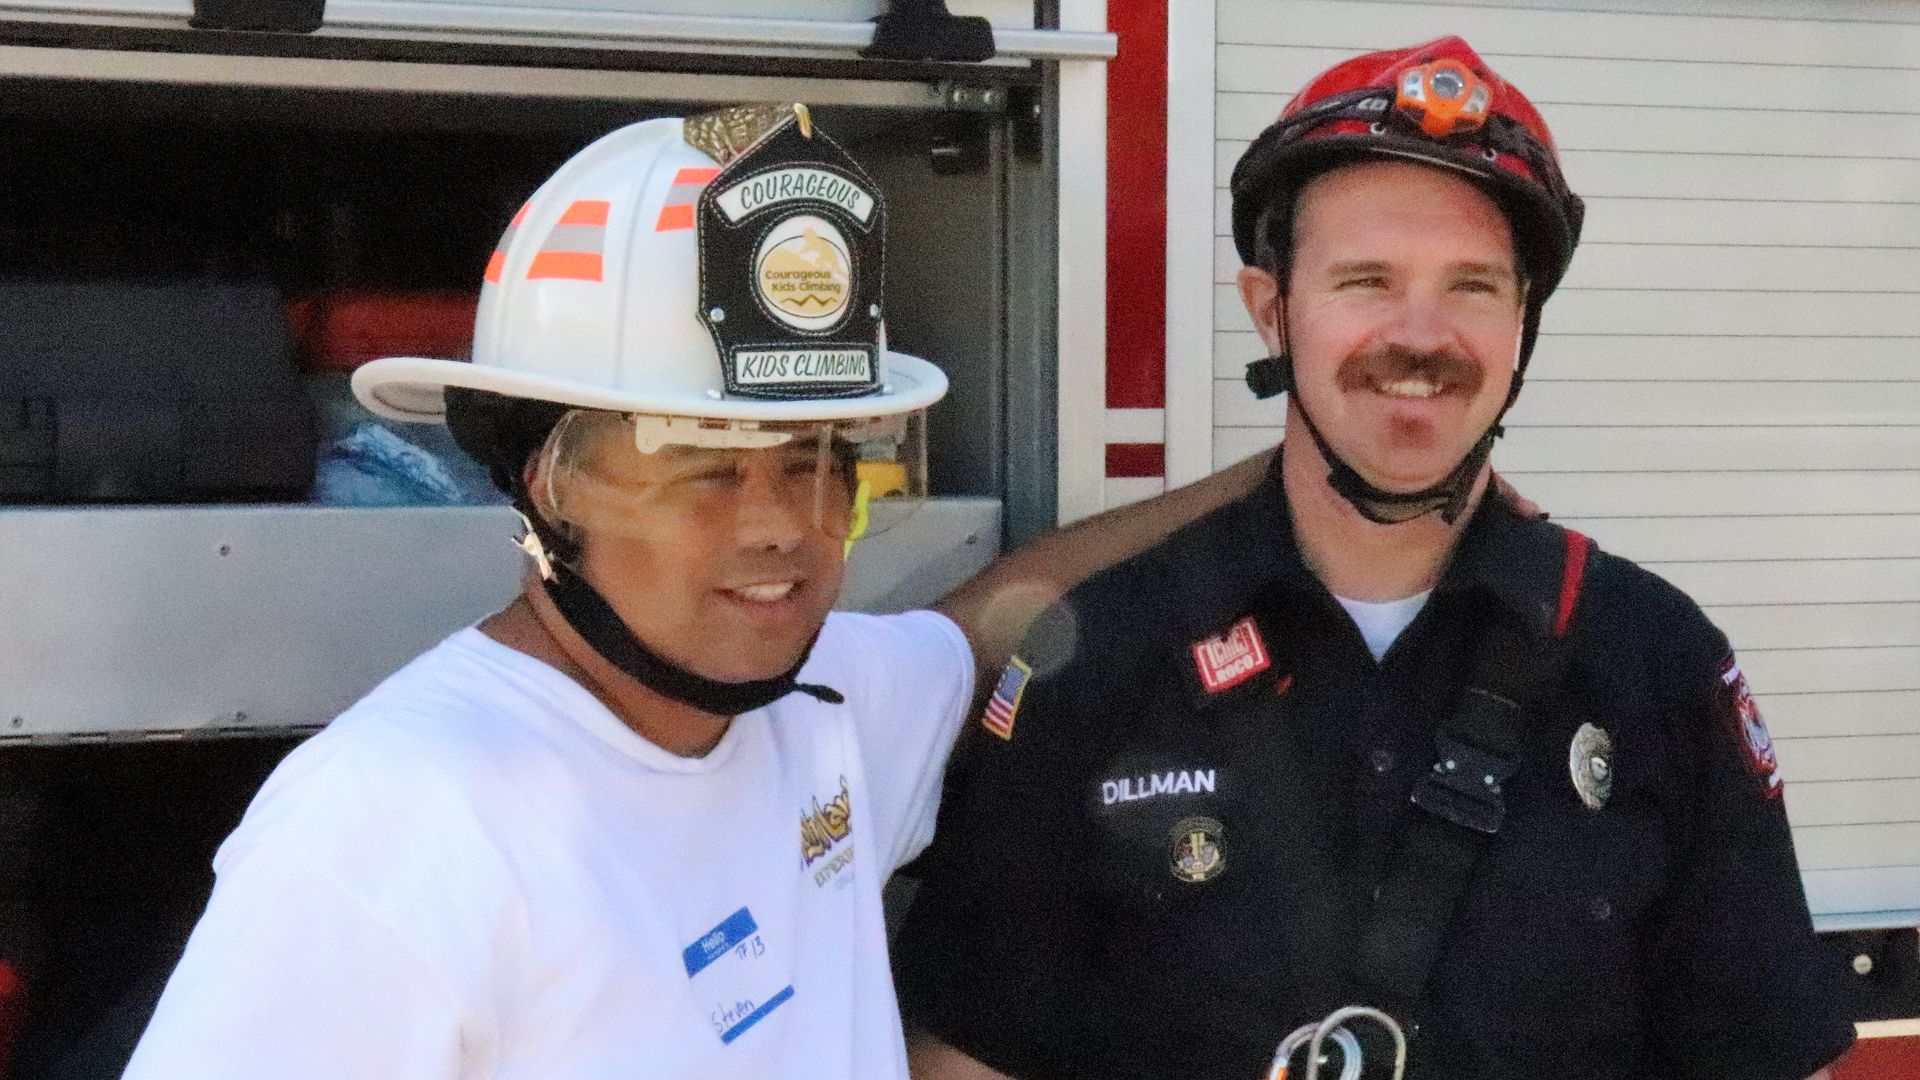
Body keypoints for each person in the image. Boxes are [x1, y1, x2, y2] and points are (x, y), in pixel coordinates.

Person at [119, 104, 1265, 1080]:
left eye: (817, 463)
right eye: (704, 469)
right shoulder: (399, 823)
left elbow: (1003, 622)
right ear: (545, 488)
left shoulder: (810, 712)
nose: (778, 528)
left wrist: (1293, 476)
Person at [894, 38, 1853, 1080]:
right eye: (1367, 280)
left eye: (1474, 287)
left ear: (1523, 322)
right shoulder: (1098, 659)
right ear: (1273, 311)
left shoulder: (1654, 661)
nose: (1421, 335)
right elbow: (964, 1057)